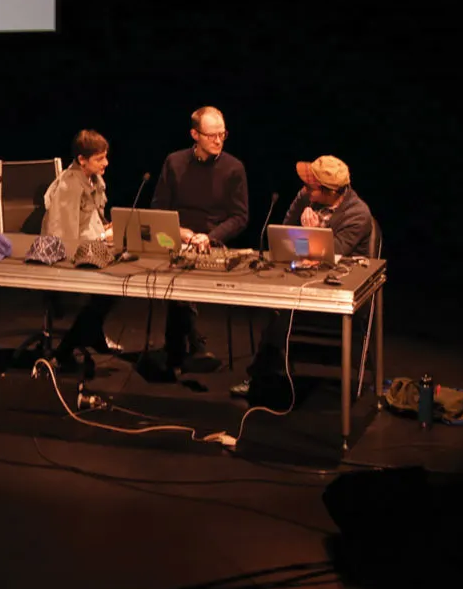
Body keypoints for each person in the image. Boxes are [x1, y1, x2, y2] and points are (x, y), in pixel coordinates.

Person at [232, 154, 376, 405]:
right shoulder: (304, 198)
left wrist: (313, 233)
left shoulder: (358, 214)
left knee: (284, 310)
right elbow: (284, 235)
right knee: (276, 302)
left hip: (339, 289)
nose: (304, 190)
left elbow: (332, 255)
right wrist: (303, 238)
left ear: (330, 192)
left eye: (311, 187)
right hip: (302, 276)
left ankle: (263, 375)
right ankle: (263, 376)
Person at [148, 106, 248, 374]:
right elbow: (158, 208)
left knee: (181, 272)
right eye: (211, 135)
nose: (218, 141)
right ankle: (191, 343)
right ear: (194, 134)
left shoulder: (233, 168)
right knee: (174, 266)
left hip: (212, 241)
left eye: (222, 134)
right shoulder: (175, 162)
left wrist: (211, 236)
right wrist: (180, 233)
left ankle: (177, 349)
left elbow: (240, 217)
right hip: (175, 238)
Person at [47, 131, 120, 366]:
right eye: (99, 159)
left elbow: (92, 219)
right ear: (82, 160)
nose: (106, 163)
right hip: (73, 258)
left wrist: (109, 229)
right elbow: (64, 236)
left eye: (105, 157)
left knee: (122, 280)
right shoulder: (69, 185)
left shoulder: (94, 181)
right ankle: (66, 348)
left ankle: (93, 334)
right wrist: (101, 236)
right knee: (109, 289)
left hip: (95, 249)